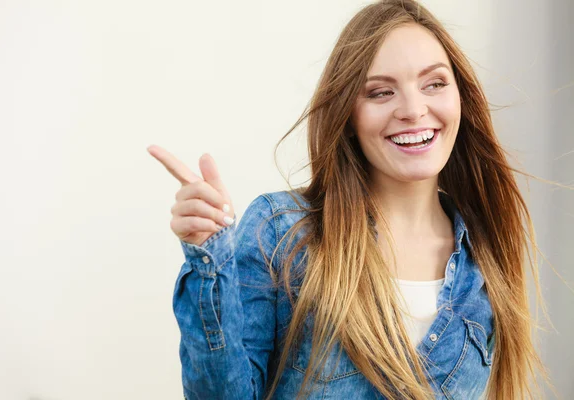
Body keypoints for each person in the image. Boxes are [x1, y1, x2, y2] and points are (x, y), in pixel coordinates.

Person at [147, 0, 552, 398]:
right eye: (380, 92)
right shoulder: (283, 233)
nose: (413, 109)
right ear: (349, 115)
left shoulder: (486, 256)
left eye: (434, 83)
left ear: (460, 97)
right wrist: (208, 257)